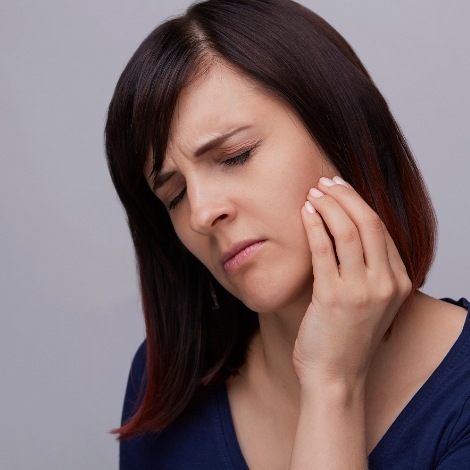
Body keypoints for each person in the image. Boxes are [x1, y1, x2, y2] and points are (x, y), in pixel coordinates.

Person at [105, 0, 470, 468]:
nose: (200, 213)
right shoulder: (167, 385)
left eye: (235, 156)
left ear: (340, 130)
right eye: (173, 195)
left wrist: (331, 384)